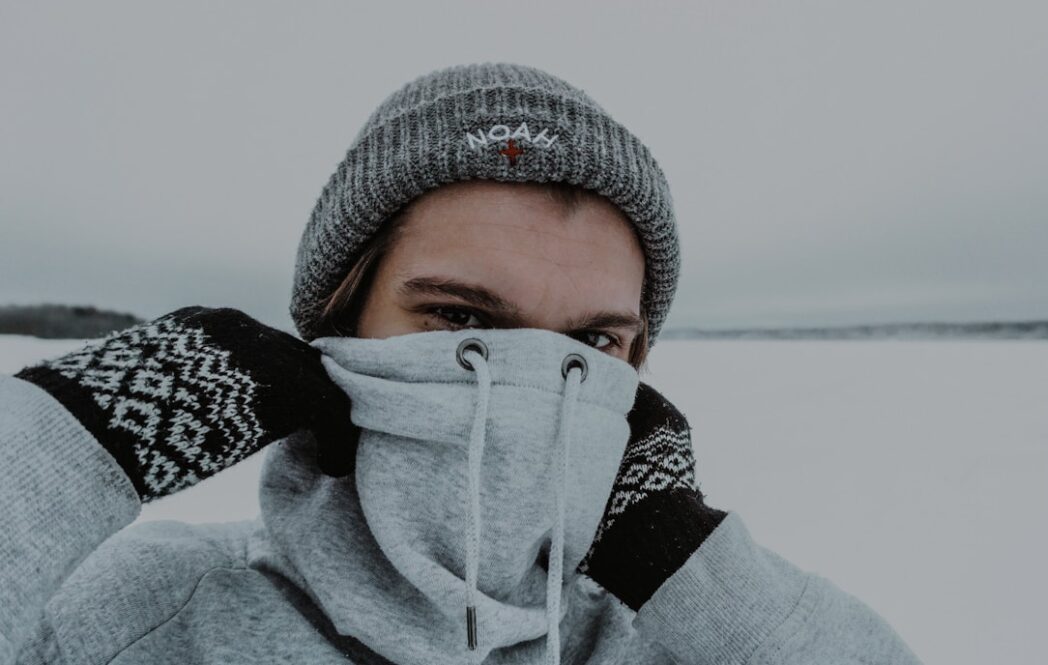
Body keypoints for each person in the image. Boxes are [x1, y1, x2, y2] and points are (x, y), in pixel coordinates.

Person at [0, 63, 923, 664]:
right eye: (458, 317)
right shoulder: (140, 619)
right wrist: (65, 448)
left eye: (590, 345)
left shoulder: (673, 636)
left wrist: (684, 559)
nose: (531, 377)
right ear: (338, 326)